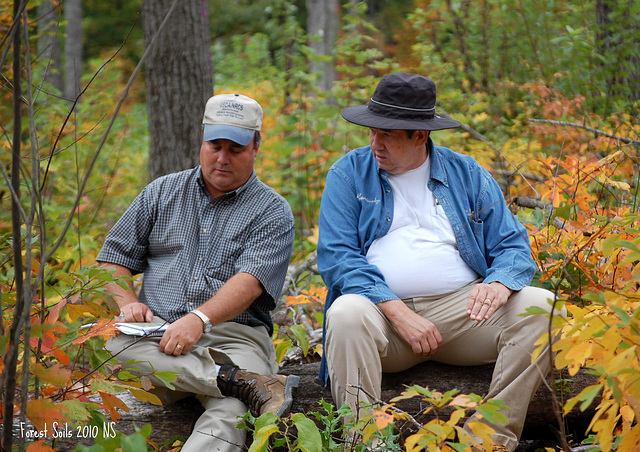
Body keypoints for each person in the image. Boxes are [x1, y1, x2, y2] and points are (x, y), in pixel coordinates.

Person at [317, 73, 561, 451]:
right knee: (346, 312)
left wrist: (498, 283)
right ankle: (366, 444)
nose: (374, 142)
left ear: (420, 135)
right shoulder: (348, 173)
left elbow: (512, 244)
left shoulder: (467, 173)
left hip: (462, 313)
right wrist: (398, 312)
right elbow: (337, 258)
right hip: (383, 321)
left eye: (387, 134)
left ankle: (488, 441)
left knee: (542, 307)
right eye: (371, 131)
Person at [97, 93, 299, 451]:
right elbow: (114, 257)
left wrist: (198, 319)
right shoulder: (161, 192)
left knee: (232, 412)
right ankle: (236, 381)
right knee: (113, 343)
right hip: (157, 337)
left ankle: (234, 383)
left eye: (235, 149)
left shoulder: (272, 211)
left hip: (235, 338)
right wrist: (126, 301)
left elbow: (250, 283)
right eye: (214, 145)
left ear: (255, 147)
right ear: (201, 141)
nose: (222, 158)